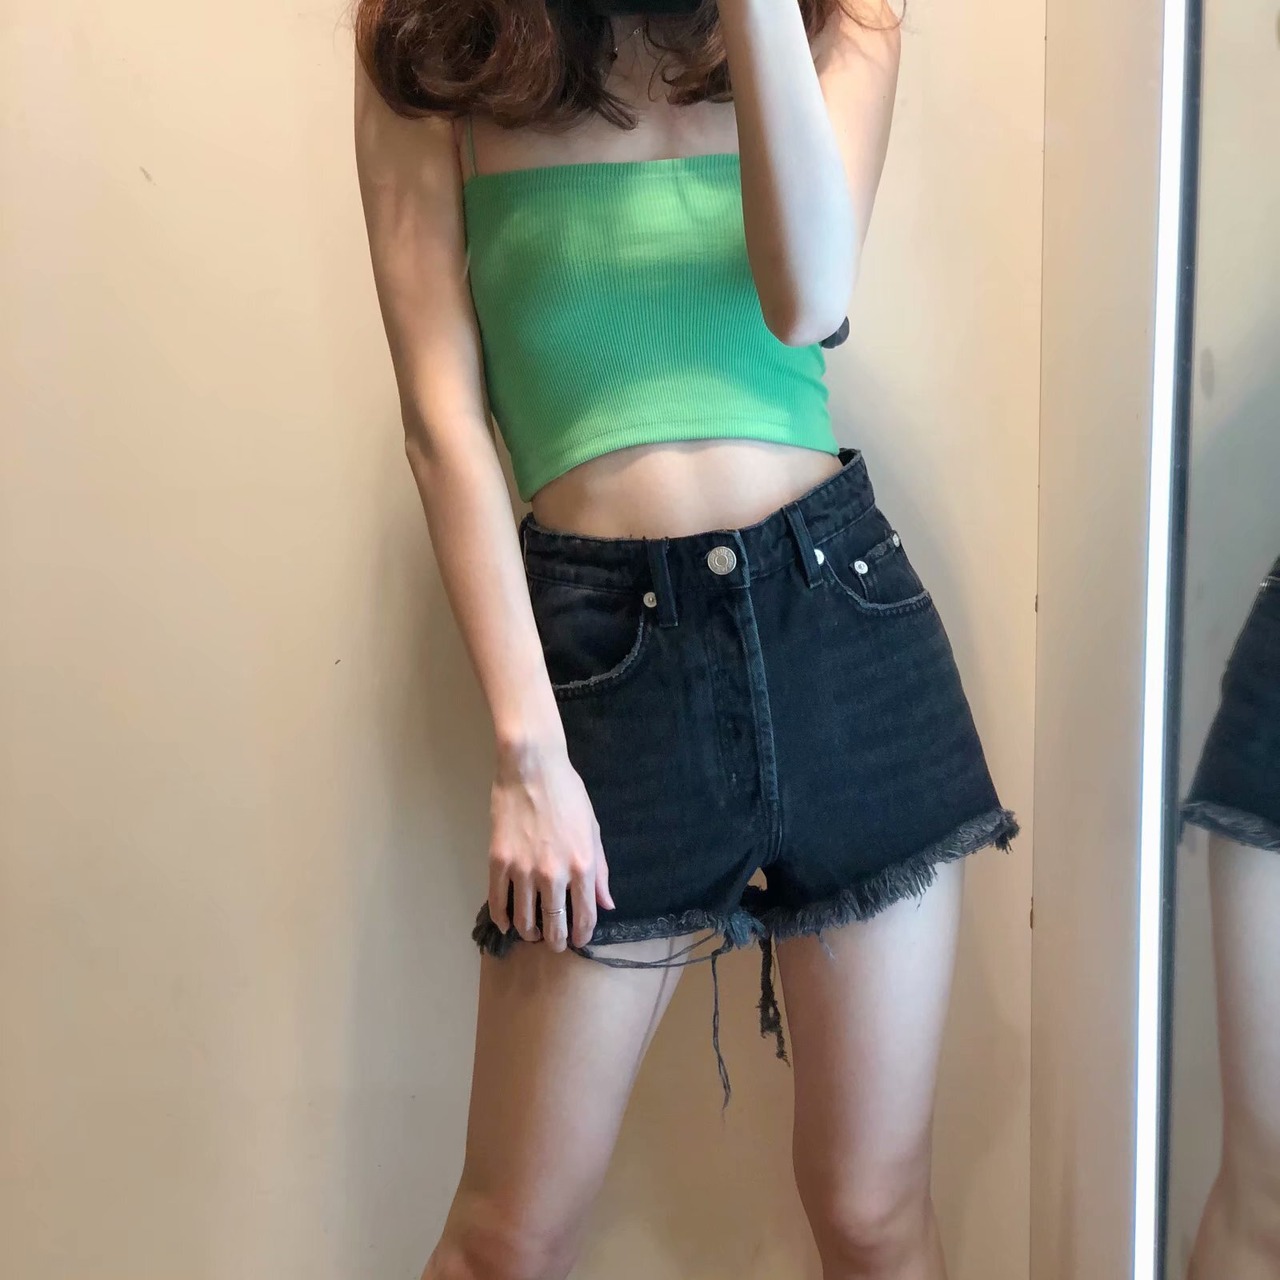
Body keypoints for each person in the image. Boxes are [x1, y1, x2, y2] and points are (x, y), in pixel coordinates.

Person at [352, 3, 1017, 1278]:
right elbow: (440, 421)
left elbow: (806, 298)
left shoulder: (846, 21)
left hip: (840, 620)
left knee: (873, 1216)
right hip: (608, 656)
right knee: (504, 1238)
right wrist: (526, 751)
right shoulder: (433, 36)